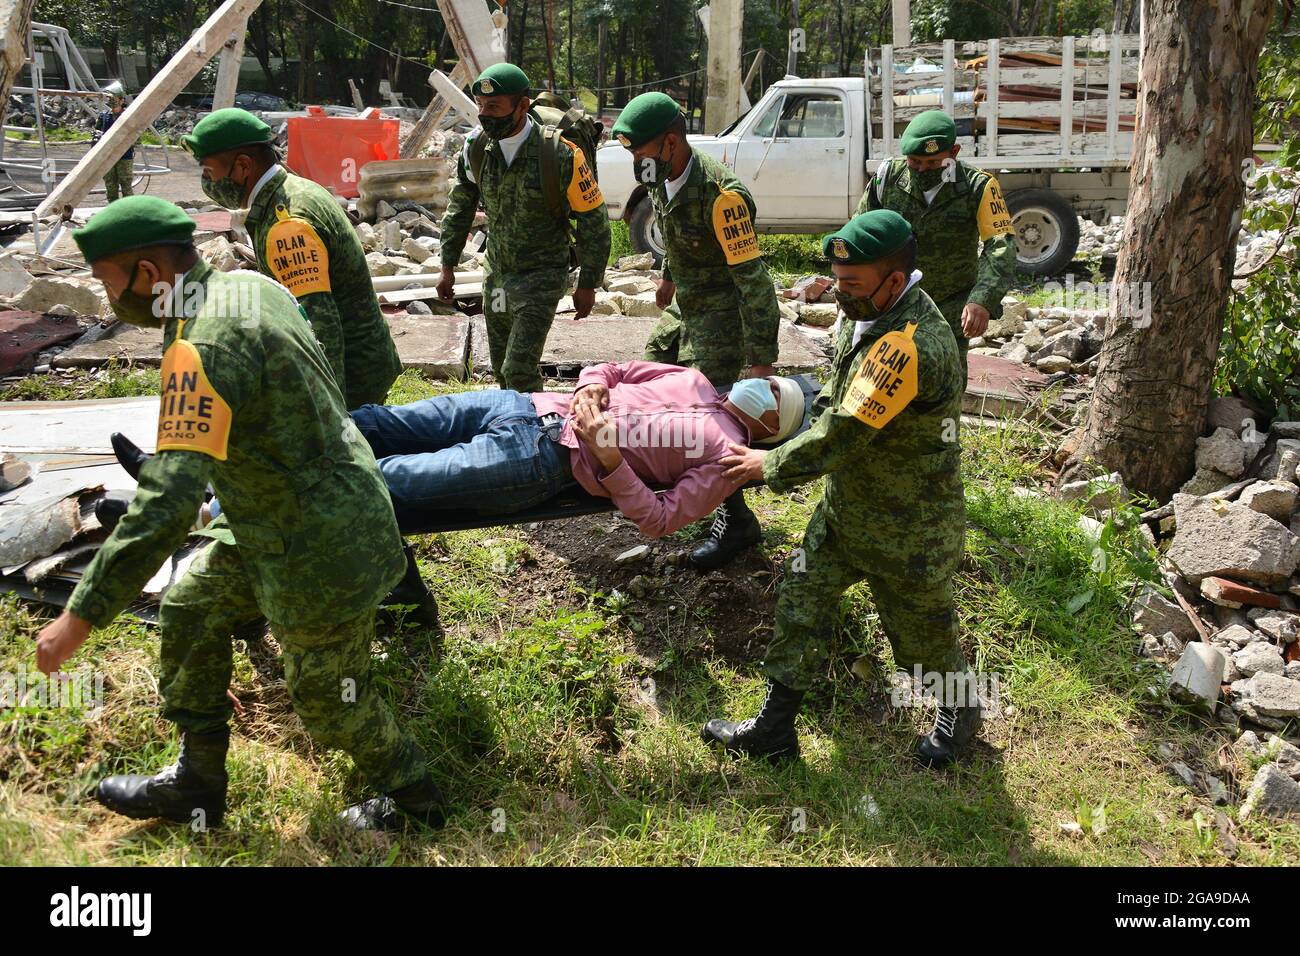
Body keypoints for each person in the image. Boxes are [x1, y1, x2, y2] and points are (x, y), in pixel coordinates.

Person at [33, 196, 446, 831]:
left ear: (147, 274)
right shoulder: (248, 288)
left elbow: (166, 506)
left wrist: (78, 616)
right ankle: (197, 785)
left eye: (106, 279)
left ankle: (418, 800)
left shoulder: (202, 345)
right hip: (281, 517)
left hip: (319, 542)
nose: (106, 294)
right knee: (191, 608)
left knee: (327, 699)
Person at [703, 210, 982, 768]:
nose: (838, 294)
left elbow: (841, 436)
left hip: (909, 529)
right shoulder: (868, 315)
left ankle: (961, 708)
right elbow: (837, 397)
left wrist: (767, 464)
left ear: (895, 282)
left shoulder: (909, 345)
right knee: (801, 604)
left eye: (851, 285)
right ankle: (775, 730)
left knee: (921, 641)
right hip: (846, 514)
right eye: (836, 280)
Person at [611, 91, 782, 570]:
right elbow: (677, 234)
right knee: (642, 387)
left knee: (706, 421)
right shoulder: (662, 177)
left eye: (638, 152)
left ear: (670, 142)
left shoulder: (723, 198)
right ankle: (658, 477)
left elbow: (755, 283)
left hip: (723, 322)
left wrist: (762, 362)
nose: (634, 162)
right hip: (685, 309)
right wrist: (668, 276)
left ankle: (736, 521)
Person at [354, 362, 805, 538]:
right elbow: (614, 368)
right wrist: (591, 386)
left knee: (390, 479)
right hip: (522, 403)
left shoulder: (729, 458)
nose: (756, 382)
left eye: (770, 391)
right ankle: (295, 436)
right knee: (381, 422)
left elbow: (661, 520)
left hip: (543, 460)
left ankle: (294, 488)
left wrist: (611, 461)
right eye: (765, 378)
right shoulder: (695, 378)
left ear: (771, 424)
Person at [182, 108, 403, 408]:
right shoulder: (291, 189)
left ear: (243, 166)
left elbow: (320, 330)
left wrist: (328, 416)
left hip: (352, 379)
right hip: (360, 364)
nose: (207, 183)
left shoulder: (288, 226)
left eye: (209, 173)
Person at [436, 63, 611, 392]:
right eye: (481, 106)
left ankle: (537, 431)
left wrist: (588, 282)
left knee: (518, 368)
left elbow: (594, 220)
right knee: (503, 371)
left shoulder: (560, 154)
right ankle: (514, 431)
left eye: (495, 107)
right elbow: (460, 206)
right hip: (498, 278)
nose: (485, 115)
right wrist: (447, 265)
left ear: (523, 106)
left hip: (541, 277)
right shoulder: (476, 148)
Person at [855, 109, 1017, 383]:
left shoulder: (978, 187)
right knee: (881, 383)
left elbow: (1000, 247)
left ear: (953, 152)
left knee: (943, 384)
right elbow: (860, 235)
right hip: (892, 302)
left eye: (932, 163)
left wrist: (982, 300)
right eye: (915, 161)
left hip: (950, 307)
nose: (921, 169)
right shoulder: (887, 178)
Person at [93, 85, 135, 202]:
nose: (111, 101)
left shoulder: (129, 116)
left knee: (126, 185)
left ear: (122, 100)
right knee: (110, 185)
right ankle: (113, 211)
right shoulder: (104, 116)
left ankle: (129, 211)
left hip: (124, 156)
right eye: (110, 99)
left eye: (114, 99)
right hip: (107, 156)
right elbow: (96, 134)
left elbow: (136, 137)